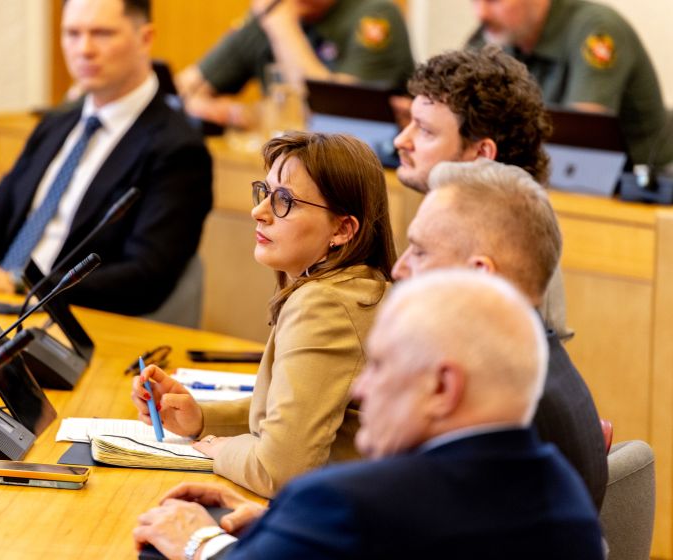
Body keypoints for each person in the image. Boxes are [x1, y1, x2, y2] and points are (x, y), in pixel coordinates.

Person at [133, 270, 605, 560]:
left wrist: (200, 543)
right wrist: (286, 528)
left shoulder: (354, 504)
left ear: (443, 387)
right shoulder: (567, 497)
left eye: (380, 366)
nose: (361, 387)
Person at [0, 0, 212, 316]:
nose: (84, 49)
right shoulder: (55, 125)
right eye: (72, 33)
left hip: (72, 324)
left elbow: (146, 277)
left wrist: (19, 285)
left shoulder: (178, 149)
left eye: (101, 33)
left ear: (145, 39)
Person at [131, 131, 396, 497]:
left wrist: (221, 449)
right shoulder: (358, 286)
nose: (259, 212)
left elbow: (278, 471)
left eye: (285, 200)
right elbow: (298, 411)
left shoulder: (326, 304)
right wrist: (203, 419)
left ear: (342, 229)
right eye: (265, 192)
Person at [394, 159, 607, 509]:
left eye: (419, 251)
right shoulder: (539, 361)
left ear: (480, 274)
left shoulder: (498, 406)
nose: (398, 269)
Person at [393, 46, 569, 338]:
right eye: (409, 123)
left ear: (482, 153)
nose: (401, 140)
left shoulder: (510, 249)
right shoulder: (469, 223)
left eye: (425, 131)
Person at [467, 0, 673, 167]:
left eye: (494, 0)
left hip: (643, 184)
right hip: (563, 176)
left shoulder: (596, 28)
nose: (481, 14)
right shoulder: (493, 38)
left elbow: (582, 135)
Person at [176, 0, 414, 128]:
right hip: (287, 161)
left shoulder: (376, 14)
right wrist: (232, 114)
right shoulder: (271, 14)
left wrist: (282, 25)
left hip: (364, 172)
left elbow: (338, 113)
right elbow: (184, 88)